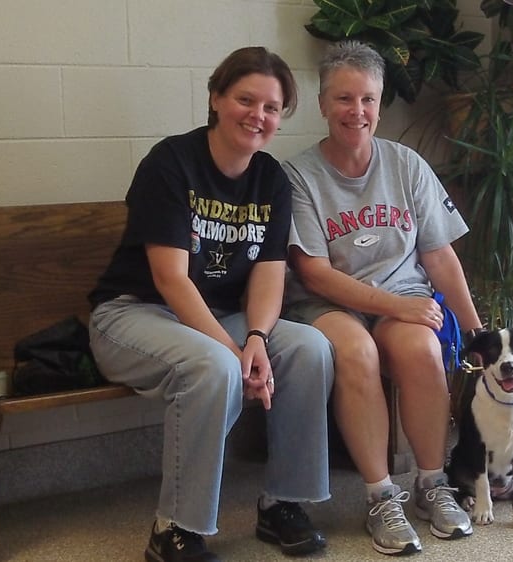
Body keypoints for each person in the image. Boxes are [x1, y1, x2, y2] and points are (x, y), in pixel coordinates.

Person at [87, 47, 334, 562]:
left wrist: (257, 337)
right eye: (246, 100)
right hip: (133, 314)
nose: (258, 115)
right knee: (215, 365)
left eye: (272, 107)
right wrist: (235, 351)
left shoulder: (271, 179)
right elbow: (171, 279)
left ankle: (283, 503)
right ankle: (174, 529)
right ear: (217, 98)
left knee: (308, 347)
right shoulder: (171, 163)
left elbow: (269, 273)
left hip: (222, 318)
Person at [282, 40, 484, 556]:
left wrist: (477, 332)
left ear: (380, 103)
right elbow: (314, 273)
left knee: (422, 349)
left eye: (368, 99)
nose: (357, 111)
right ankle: (380, 496)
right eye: (344, 98)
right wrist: (397, 307)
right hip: (329, 304)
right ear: (323, 104)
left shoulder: (406, 164)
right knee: (357, 352)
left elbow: (439, 256)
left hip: (402, 293)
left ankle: (432, 484)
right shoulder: (297, 175)